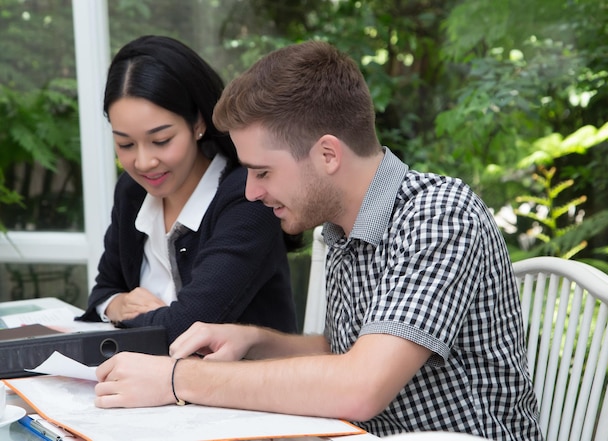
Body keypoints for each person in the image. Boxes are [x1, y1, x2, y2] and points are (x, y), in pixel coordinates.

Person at [94, 40, 543, 440]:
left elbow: (359, 386)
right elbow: (347, 351)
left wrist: (177, 377)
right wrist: (254, 340)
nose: (250, 192)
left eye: (263, 171)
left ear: (327, 154)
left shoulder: (440, 215)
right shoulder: (341, 226)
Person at [78, 35, 300, 344]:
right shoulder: (131, 191)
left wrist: (137, 317)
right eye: (125, 144)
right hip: (151, 383)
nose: (143, 162)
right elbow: (103, 291)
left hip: (236, 386)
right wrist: (117, 305)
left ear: (198, 122)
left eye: (161, 140)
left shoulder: (248, 198)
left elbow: (186, 324)